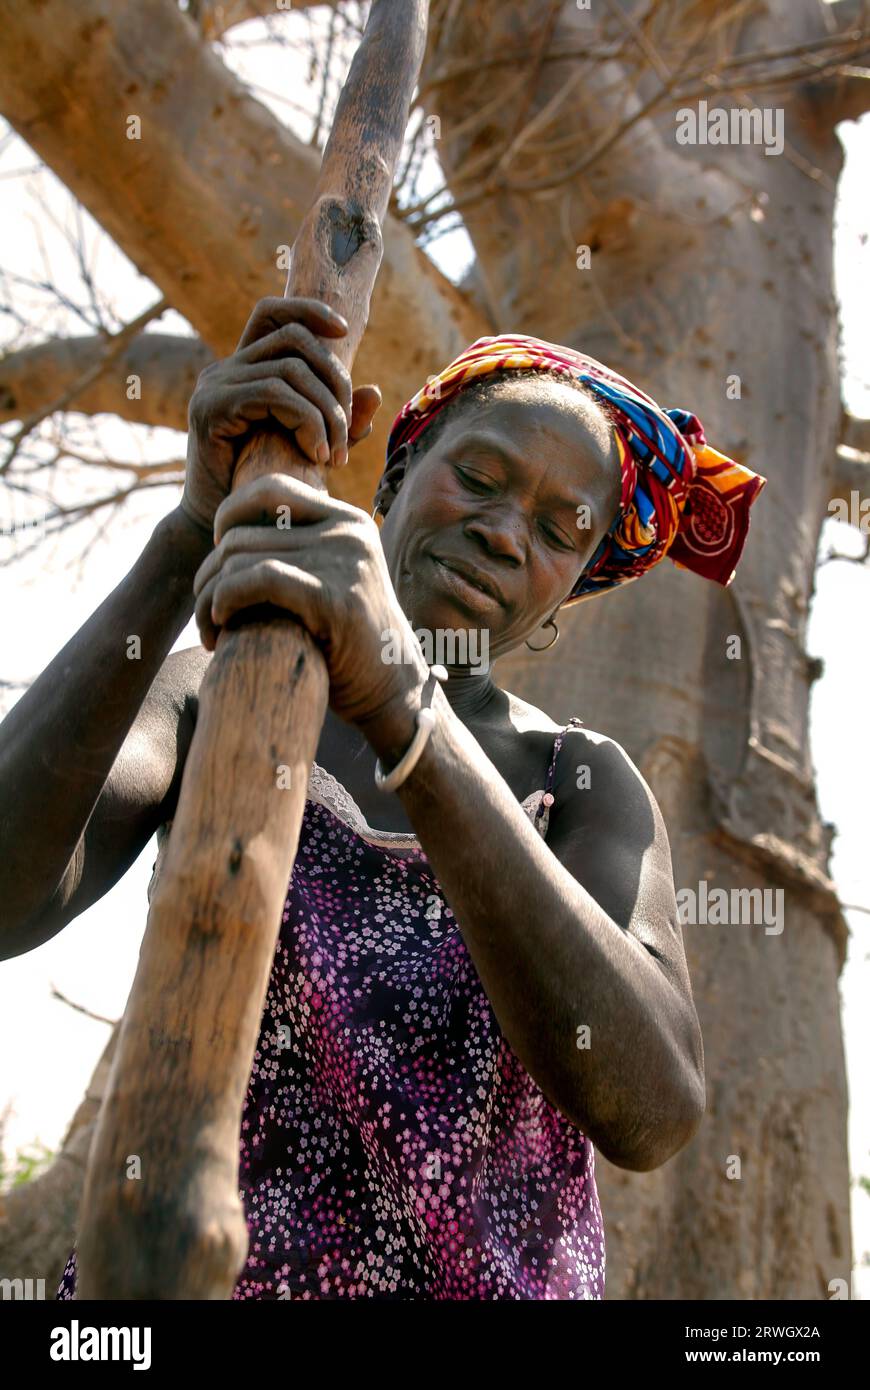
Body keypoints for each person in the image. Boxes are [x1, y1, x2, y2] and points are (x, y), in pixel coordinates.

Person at [0, 296, 765, 1300]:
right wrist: (191, 531)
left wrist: (413, 718)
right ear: (397, 474)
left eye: (559, 530)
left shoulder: (579, 780)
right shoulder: (224, 690)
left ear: (571, 586)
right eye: (479, 478)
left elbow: (652, 1108)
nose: (502, 533)